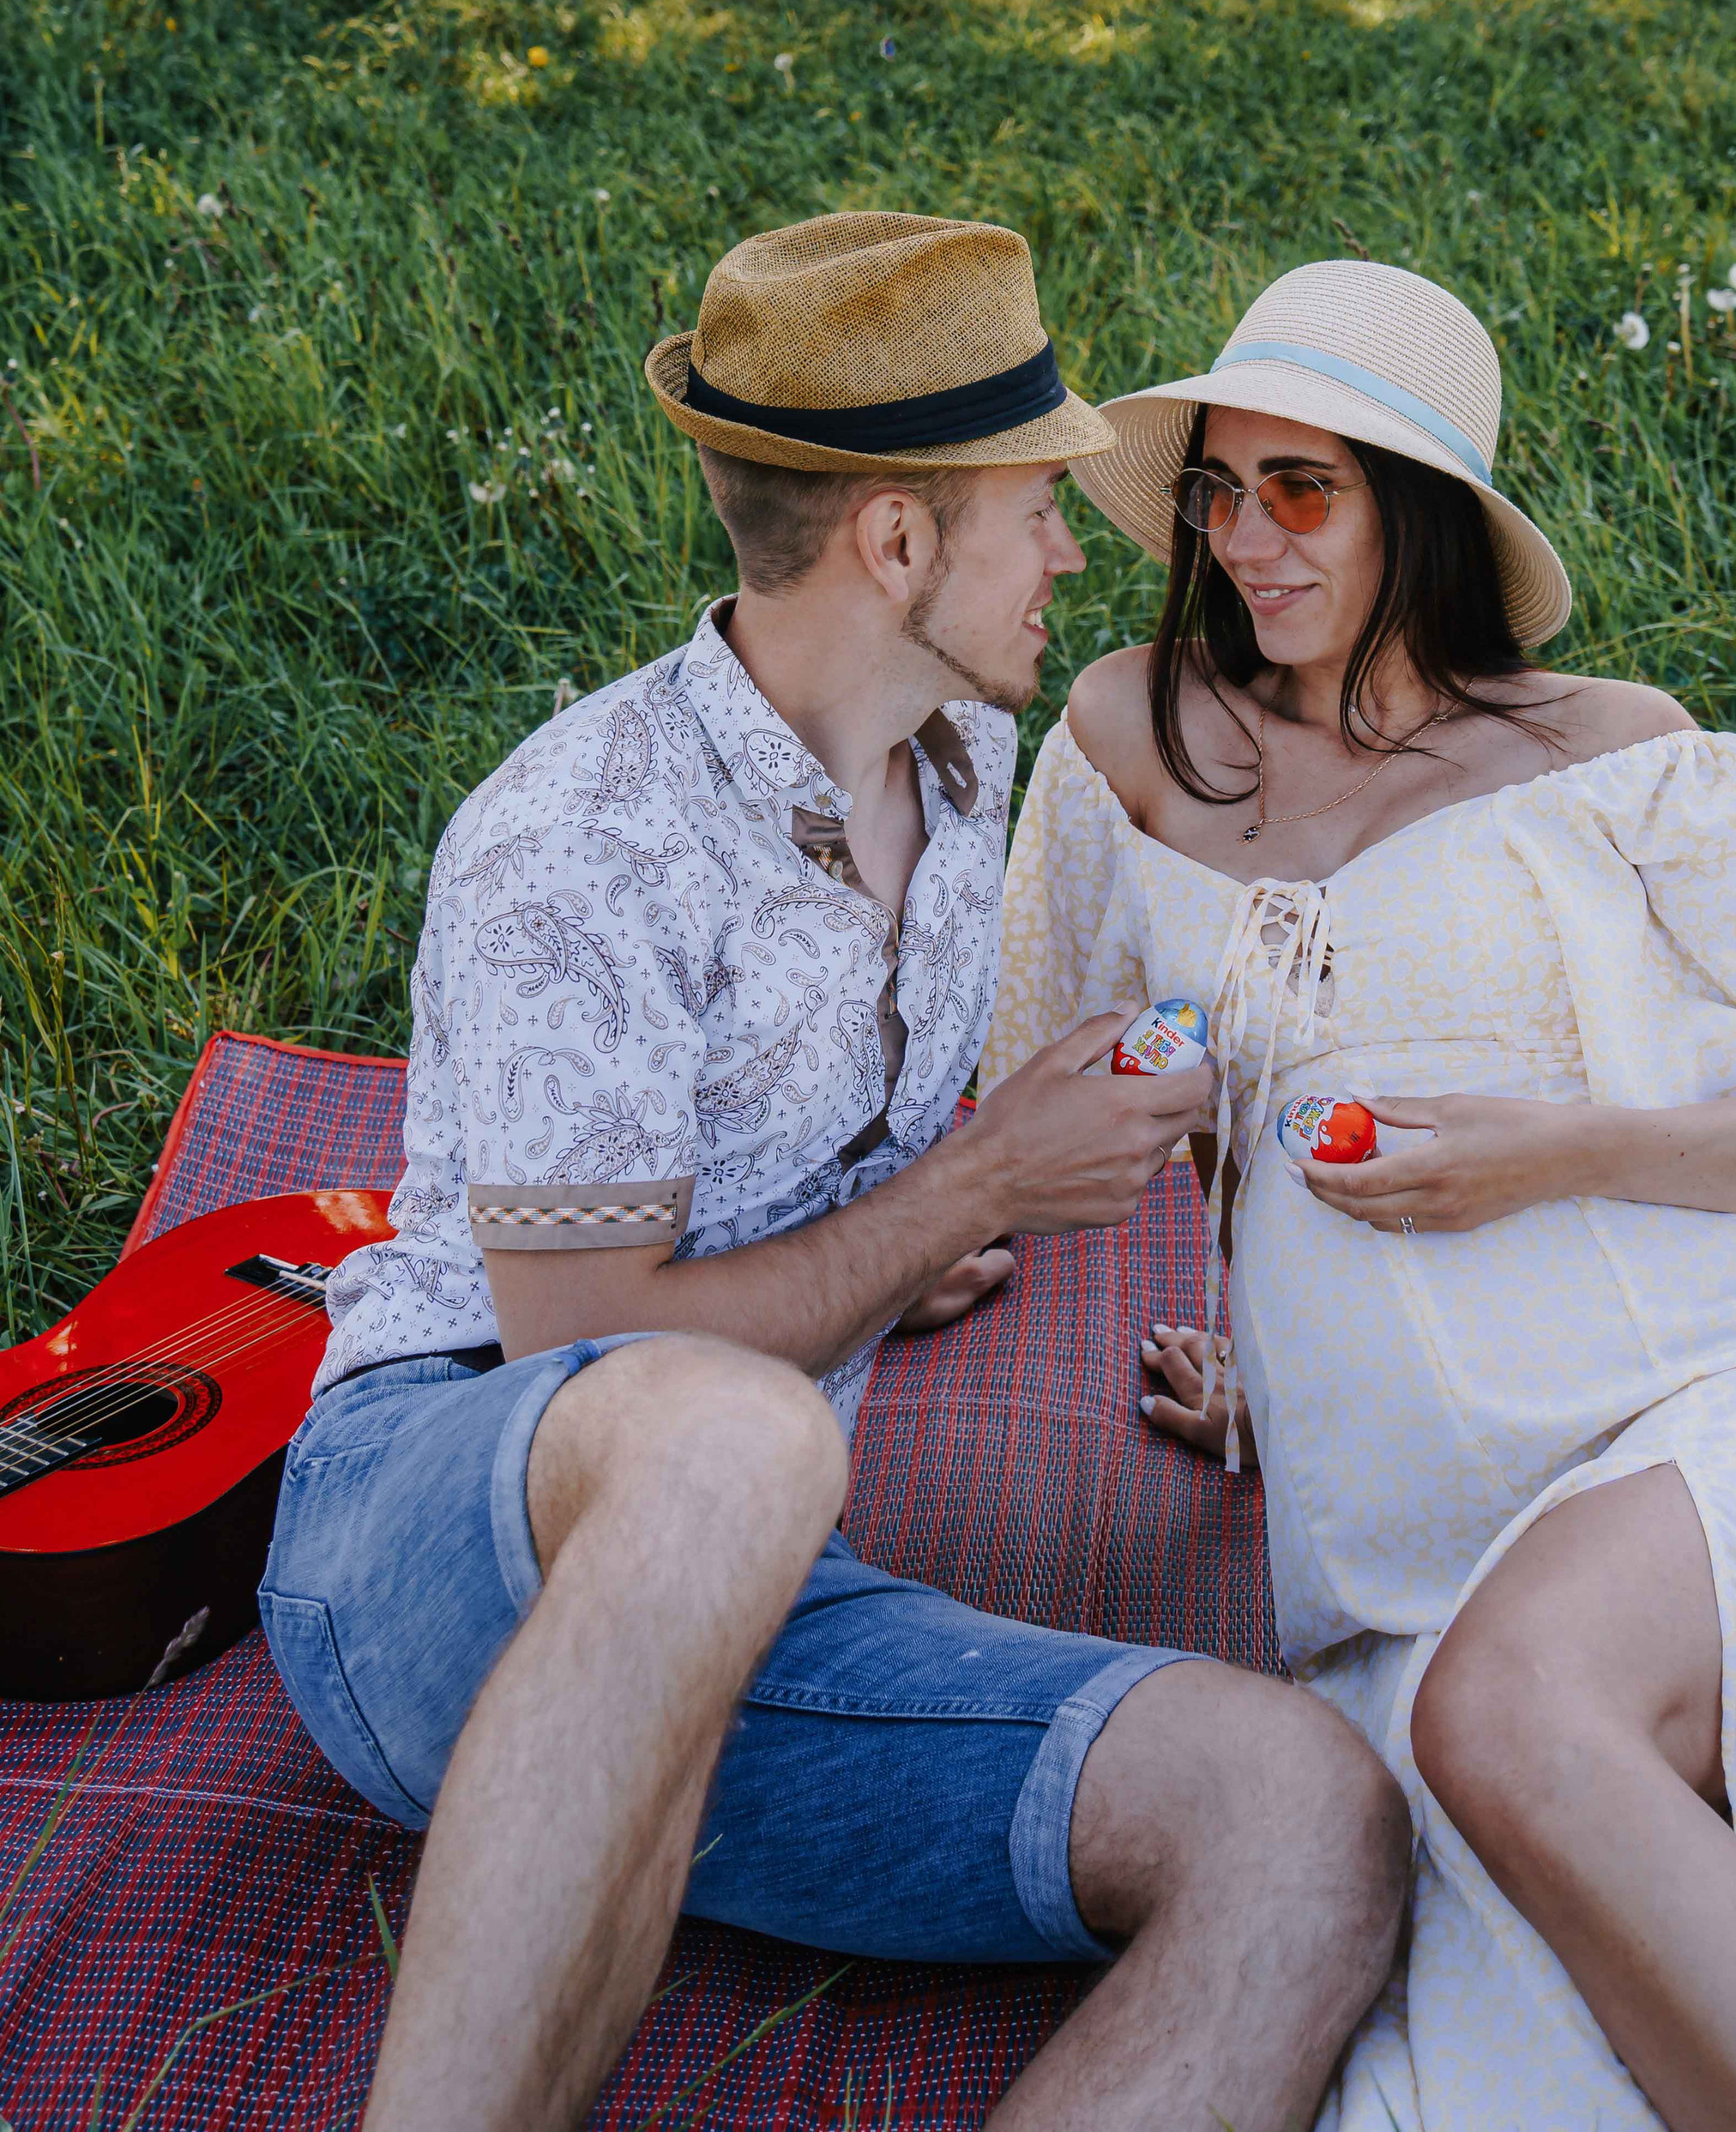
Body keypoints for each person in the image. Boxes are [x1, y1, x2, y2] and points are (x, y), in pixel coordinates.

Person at [260, 210, 1408, 2132]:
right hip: (435, 1541)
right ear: (894, 541)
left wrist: (885, 1250)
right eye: (1034, 504)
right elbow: (588, 1350)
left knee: (1302, 1809)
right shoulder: (577, 838)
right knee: (729, 1434)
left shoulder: (963, 766)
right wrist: (962, 1198)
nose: (1073, 545)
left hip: (758, 1583)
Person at [983, 254, 1736, 2132]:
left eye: (1305, 488)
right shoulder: (1129, 740)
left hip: (1718, 1402)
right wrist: (1272, 1365)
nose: (1245, 537)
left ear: (1418, 515)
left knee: (1510, 1722)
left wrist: (1555, 1144)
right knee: (1516, 2027)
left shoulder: (1614, 757)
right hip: (1400, 1539)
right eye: (1219, 485)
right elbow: (1048, 1100)